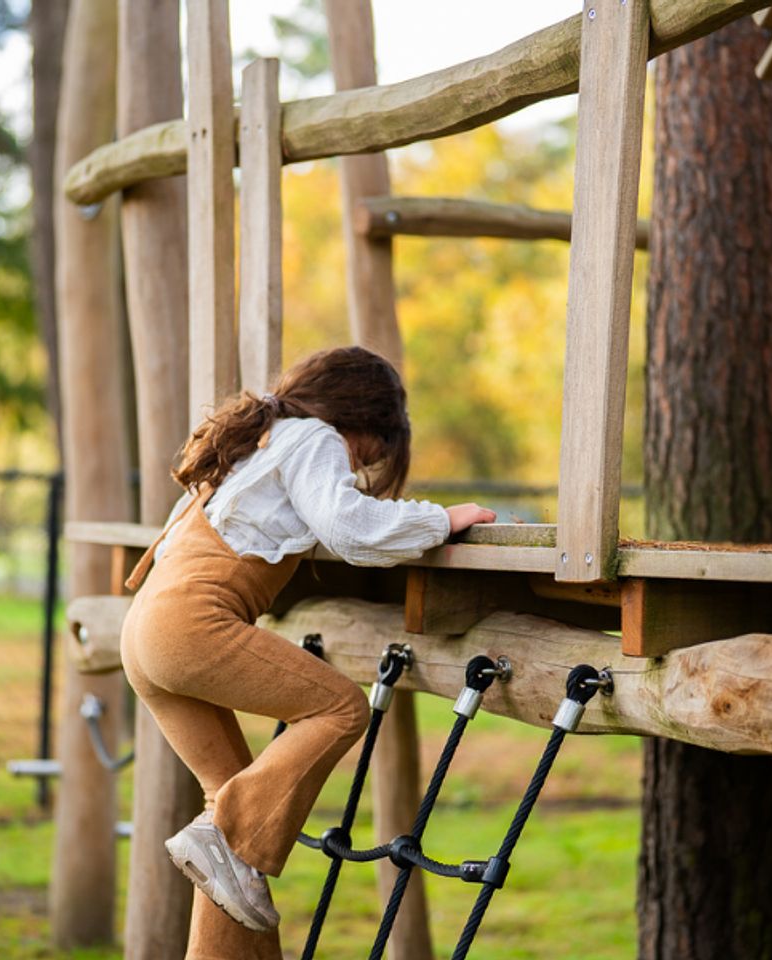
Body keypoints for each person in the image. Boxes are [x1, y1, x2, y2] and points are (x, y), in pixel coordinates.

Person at [119, 346, 496, 959]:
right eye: (368, 456)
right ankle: (219, 840)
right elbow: (351, 528)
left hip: (145, 633)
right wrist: (442, 519)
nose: (358, 468)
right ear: (361, 422)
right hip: (187, 625)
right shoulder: (315, 438)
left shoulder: (254, 442)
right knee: (340, 709)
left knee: (231, 812)